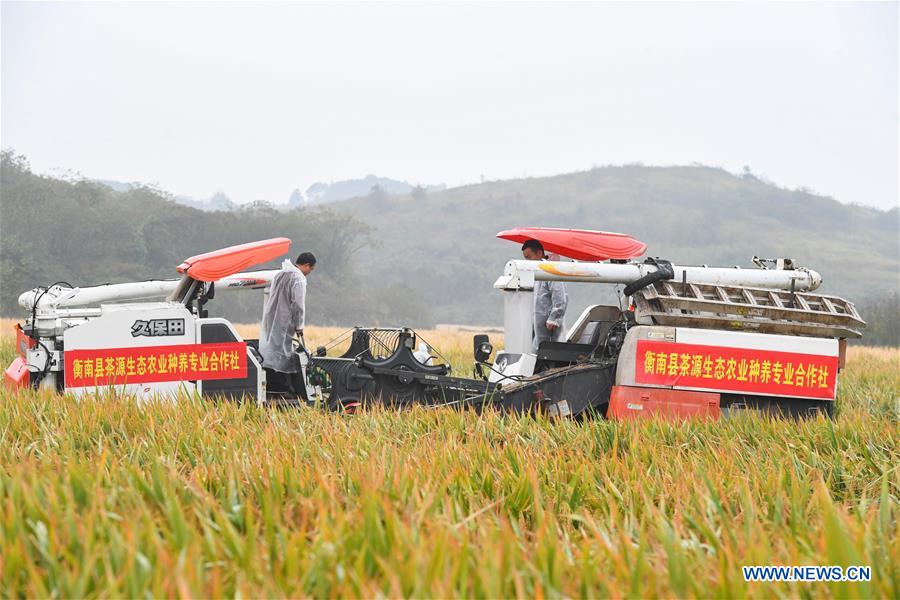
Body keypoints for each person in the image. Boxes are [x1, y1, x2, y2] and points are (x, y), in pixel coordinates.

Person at [259, 252, 316, 376]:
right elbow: (298, 305)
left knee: (270, 350)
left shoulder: (281, 274)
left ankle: (268, 378)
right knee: (281, 353)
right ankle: (280, 382)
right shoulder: (299, 279)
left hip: (270, 316)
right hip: (284, 320)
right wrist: (299, 326)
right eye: (310, 270)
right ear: (306, 265)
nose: (309, 273)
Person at [521, 239, 568, 350]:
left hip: (549, 327)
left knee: (549, 352)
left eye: (529, 257)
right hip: (537, 324)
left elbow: (560, 297)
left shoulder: (550, 271)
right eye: (525, 258)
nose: (527, 261)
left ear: (538, 253)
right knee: (535, 352)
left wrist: (554, 319)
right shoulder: (535, 273)